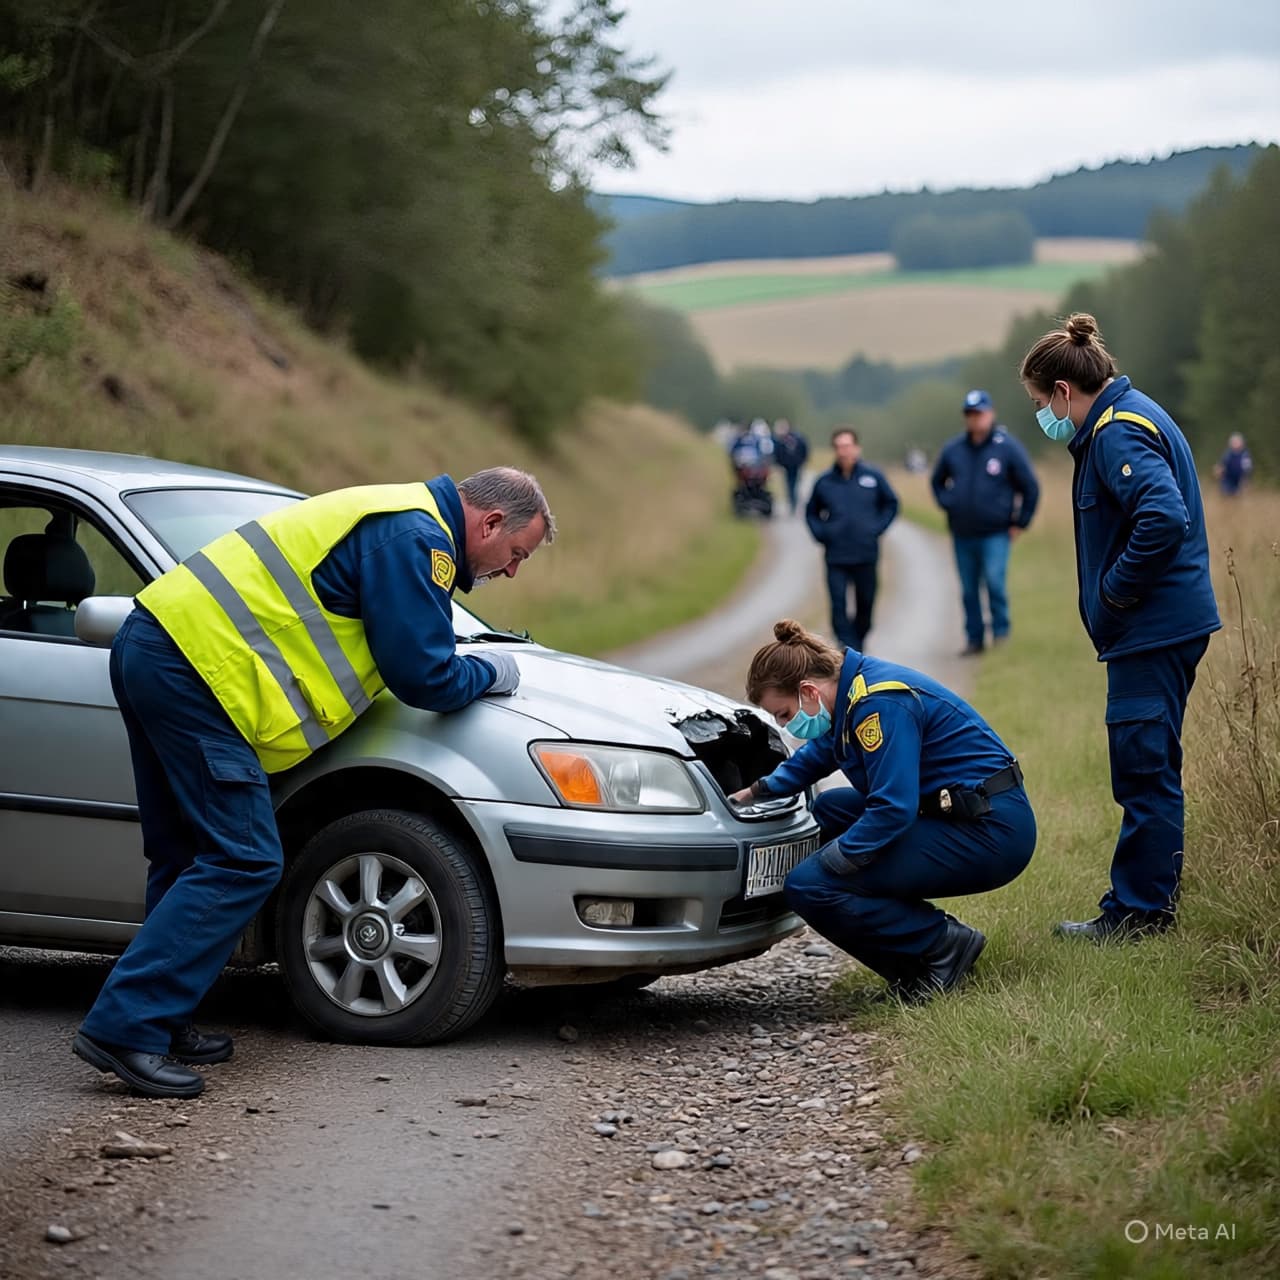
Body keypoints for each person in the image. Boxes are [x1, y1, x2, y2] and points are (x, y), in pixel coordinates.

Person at [74, 468, 555, 1097]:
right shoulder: (418, 538)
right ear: (490, 523)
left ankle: (159, 1019)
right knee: (243, 859)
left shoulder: (397, 514)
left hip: (162, 649)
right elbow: (423, 675)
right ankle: (126, 1028)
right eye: (515, 554)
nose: (510, 571)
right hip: (196, 674)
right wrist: (494, 671)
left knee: (186, 852)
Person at [1020, 313, 1220, 942]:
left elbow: (1163, 517)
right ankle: (1149, 900)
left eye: (1038, 403)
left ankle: (1139, 914)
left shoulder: (1115, 433)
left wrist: (1115, 593)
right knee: (1151, 763)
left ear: (1061, 392)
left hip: (1152, 630)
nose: (1042, 418)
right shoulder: (1132, 414)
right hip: (1164, 627)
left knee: (1141, 767)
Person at [729, 620, 1036, 999]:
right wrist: (760, 790)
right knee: (831, 808)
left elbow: (892, 808)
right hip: (962, 813)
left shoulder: (879, 703)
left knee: (810, 885)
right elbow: (824, 752)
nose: (786, 725)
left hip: (992, 831)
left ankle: (939, 948)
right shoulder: (852, 690)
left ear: (808, 690)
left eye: (785, 714)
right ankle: (919, 937)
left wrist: (834, 864)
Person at [931, 390, 1040, 655]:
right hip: (963, 532)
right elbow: (937, 481)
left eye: (979, 413)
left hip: (996, 532)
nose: (975, 419)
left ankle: (1001, 635)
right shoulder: (953, 449)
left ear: (990, 414)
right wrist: (950, 502)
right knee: (969, 589)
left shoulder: (1007, 447)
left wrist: (1020, 522)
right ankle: (974, 638)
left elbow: (1030, 487)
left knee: (994, 582)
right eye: (970, 414)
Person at [805, 428, 898, 650]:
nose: (843, 451)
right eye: (838, 447)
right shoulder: (824, 481)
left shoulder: (873, 477)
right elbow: (811, 512)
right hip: (836, 554)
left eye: (847, 446)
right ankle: (847, 646)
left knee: (866, 602)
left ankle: (858, 638)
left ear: (857, 448)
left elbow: (891, 503)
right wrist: (822, 533)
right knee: (838, 604)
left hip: (865, 552)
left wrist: (876, 528)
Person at [772, 419, 810, 514]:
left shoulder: (798, 438)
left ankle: (794, 503)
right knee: (789, 485)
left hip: (796, 465)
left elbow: (804, 450)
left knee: (794, 485)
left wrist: (803, 462)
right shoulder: (781, 440)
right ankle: (792, 502)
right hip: (786, 466)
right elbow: (778, 453)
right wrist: (778, 464)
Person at [1214, 432, 1253, 497]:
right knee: (1226, 495)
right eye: (1234, 442)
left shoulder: (1245, 455)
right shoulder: (1228, 454)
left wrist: (1246, 480)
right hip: (1228, 480)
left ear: (1242, 443)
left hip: (1239, 481)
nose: (1235, 444)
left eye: (1237, 442)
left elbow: (1247, 469)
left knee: (1237, 497)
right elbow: (1221, 465)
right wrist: (1218, 470)